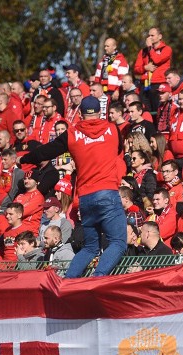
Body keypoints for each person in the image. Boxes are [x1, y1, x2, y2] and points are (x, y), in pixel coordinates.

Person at [19, 96, 127, 278]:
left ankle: (67, 282)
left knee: (90, 247)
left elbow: (46, 151)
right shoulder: (113, 129)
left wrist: (24, 158)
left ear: (81, 114)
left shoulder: (72, 134)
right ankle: (98, 278)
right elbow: (118, 150)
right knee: (118, 242)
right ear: (100, 112)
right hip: (107, 193)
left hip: (85, 198)